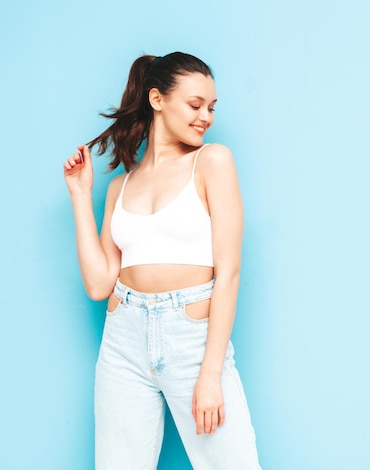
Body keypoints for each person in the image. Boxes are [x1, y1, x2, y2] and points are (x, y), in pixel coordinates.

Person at [63, 52, 261, 469]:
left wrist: (210, 374)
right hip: (123, 343)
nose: (205, 116)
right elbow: (100, 285)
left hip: (192, 339)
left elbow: (228, 273)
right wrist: (82, 197)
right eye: (195, 105)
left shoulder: (212, 162)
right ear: (157, 99)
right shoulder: (121, 186)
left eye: (211, 107)